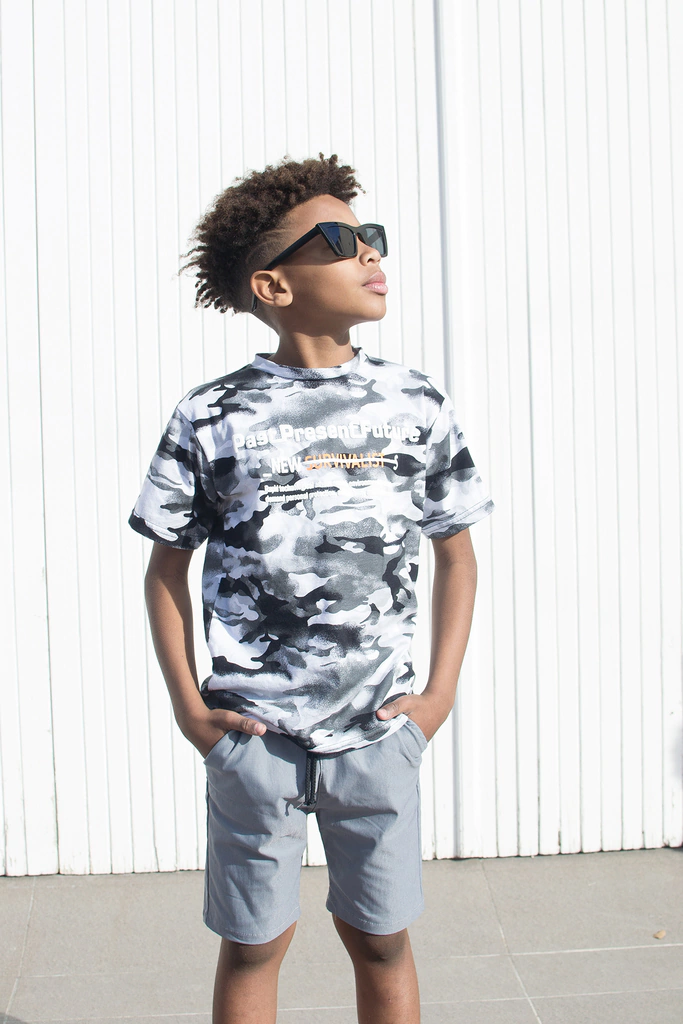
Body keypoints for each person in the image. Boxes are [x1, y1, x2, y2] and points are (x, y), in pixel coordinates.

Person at [129, 152, 495, 1024]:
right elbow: (165, 568)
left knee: (381, 940)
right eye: (338, 240)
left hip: (379, 733)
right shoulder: (210, 415)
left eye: (371, 237)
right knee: (253, 947)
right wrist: (191, 712)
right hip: (255, 738)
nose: (370, 252)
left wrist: (437, 697)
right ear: (273, 284)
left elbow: (457, 555)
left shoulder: (413, 402)